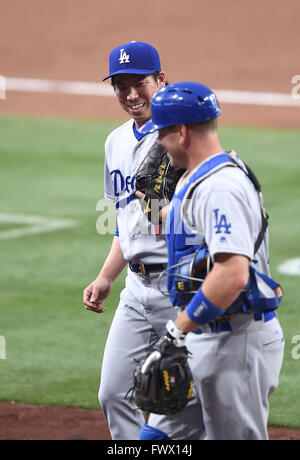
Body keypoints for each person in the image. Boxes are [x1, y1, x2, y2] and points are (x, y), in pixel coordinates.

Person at [139, 81, 285, 440]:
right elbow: (179, 220)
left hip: (236, 342)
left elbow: (232, 274)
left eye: (162, 132)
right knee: (156, 440)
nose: (158, 142)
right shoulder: (197, 177)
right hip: (205, 338)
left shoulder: (221, 187)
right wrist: (146, 202)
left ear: (183, 132)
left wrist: (176, 330)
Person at [83, 43, 203, 440]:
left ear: (161, 81)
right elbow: (126, 221)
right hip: (135, 289)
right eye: (121, 86)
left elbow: (194, 224)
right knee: (113, 393)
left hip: (179, 287)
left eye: (140, 84)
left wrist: (156, 209)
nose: (131, 94)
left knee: (192, 402)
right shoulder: (115, 141)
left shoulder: (182, 138)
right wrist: (105, 277)